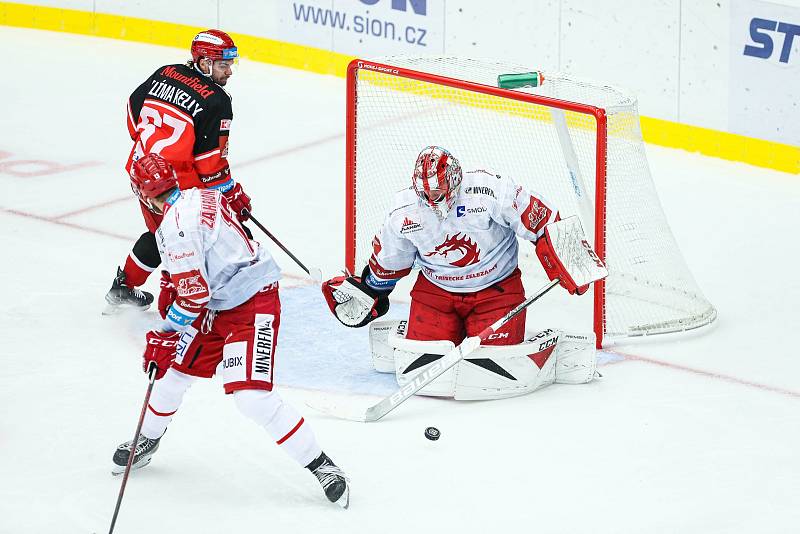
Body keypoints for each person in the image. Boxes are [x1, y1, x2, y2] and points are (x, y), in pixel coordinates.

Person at [112, 154, 349, 508]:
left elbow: (193, 297)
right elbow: (219, 217)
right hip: (218, 300)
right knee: (172, 377)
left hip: (252, 302)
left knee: (251, 398)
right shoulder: (196, 192)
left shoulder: (174, 228)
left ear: (145, 196)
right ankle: (147, 438)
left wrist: (164, 333)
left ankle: (323, 466)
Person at [323, 145, 588, 347]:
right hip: (437, 294)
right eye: (425, 194)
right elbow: (390, 263)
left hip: (496, 291)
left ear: (454, 179)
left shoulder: (490, 191)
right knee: (423, 359)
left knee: (492, 362)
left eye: (437, 193)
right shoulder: (405, 212)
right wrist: (371, 291)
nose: (432, 200)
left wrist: (573, 259)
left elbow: (544, 221)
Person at [105, 29, 252, 312]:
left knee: (162, 234)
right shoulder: (216, 101)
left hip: (143, 172)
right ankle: (177, 304)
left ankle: (123, 288)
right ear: (204, 62)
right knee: (183, 238)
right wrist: (233, 196)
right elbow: (211, 168)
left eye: (230, 64)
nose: (230, 71)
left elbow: (132, 111)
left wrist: (150, 153)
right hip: (175, 185)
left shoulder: (166, 71)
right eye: (224, 64)